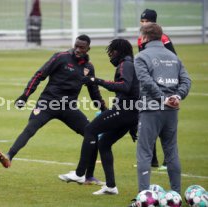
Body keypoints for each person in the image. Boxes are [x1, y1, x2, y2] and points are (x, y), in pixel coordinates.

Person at [0, 34, 107, 185]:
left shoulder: (88, 68)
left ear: (88, 49)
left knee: (91, 133)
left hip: (68, 108)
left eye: (82, 47)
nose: (77, 49)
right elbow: (39, 75)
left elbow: (94, 93)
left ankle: (89, 176)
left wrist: (105, 111)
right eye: (76, 46)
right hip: (48, 103)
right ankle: (9, 156)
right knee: (31, 128)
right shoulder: (61, 57)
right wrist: (25, 96)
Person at [59, 38, 140, 195]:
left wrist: (97, 80)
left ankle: (79, 173)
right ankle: (110, 187)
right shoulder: (130, 64)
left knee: (90, 129)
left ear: (120, 51)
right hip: (130, 113)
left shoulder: (126, 65)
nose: (111, 55)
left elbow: (125, 86)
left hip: (124, 111)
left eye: (113, 51)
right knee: (104, 143)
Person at [128, 23, 191, 207]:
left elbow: (145, 81)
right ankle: (176, 196)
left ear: (145, 37)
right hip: (172, 110)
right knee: (171, 151)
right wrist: (177, 96)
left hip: (151, 109)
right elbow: (186, 80)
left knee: (144, 153)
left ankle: (143, 199)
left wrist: (163, 98)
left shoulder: (141, 57)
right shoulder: (173, 57)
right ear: (161, 37)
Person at [138, 8, 177, 170]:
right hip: (149, 87)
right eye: (142, 21)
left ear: (154, 22)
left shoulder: (163, 38)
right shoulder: (141, 39)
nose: (144, 24)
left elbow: (172, 58)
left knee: (164, 125)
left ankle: (169, 159)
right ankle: (152, 159)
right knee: (147, 123)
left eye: (147, 21)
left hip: (164, 86)